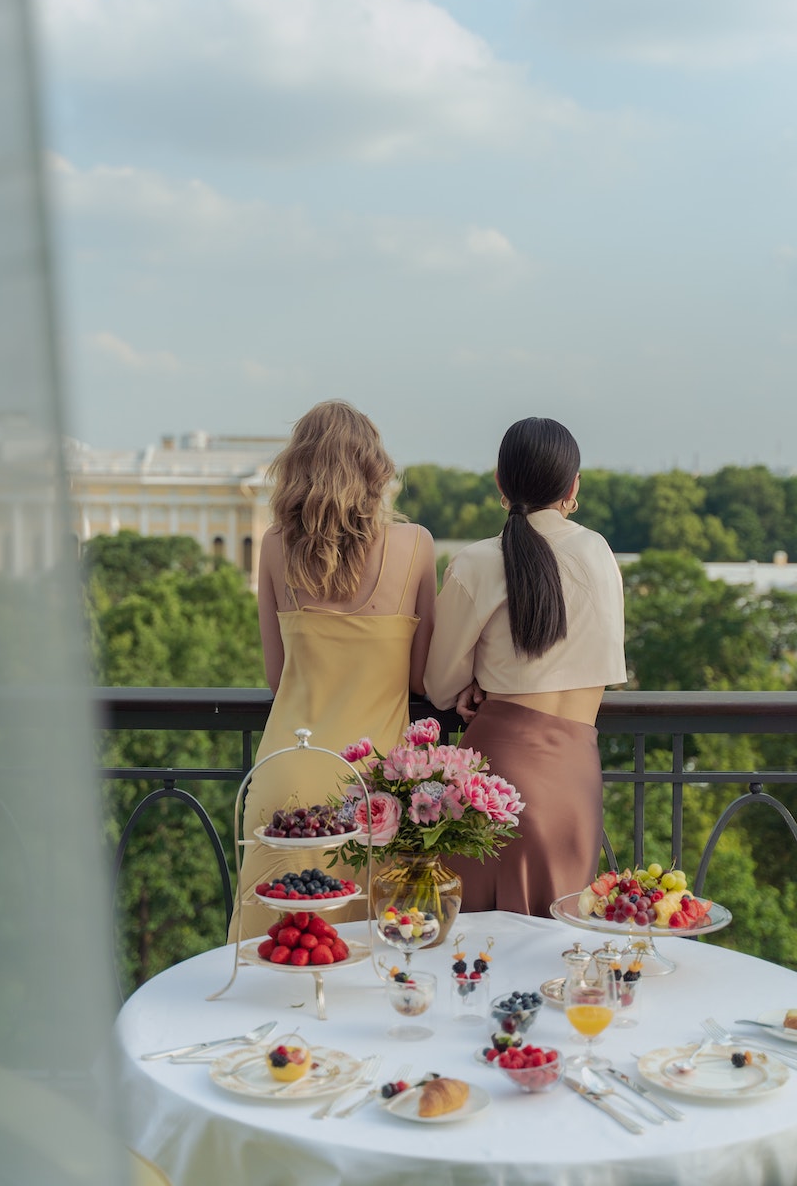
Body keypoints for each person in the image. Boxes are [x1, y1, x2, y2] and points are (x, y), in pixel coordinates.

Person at [228, 400, 436, 941]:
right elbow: (422, 680)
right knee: (371, 958)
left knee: (275, 949)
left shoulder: (275, 545)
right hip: (370, 790)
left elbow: (278, 678)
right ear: (374, 468)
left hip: (288, 770)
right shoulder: (415, 545)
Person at [424, 417, 626, 916]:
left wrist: (474, 683)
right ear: (573, 485)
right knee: (557, 950)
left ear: (499, 481)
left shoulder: (475, 563)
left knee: (475, 954)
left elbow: (438, 685)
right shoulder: (599, 553)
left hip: (494, 777)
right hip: (575, 778)